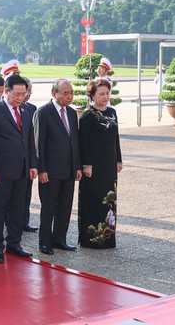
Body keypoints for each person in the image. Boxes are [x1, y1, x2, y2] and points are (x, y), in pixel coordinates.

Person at [0, 75, 38, 264]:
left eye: (24, 94)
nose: (20, 98)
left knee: (18, 208)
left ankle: (14, 243)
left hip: (22, 169)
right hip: (1, 171)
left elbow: (29, 139)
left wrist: (32, 164)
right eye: (17, 94)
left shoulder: (25, 110)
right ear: (6, 91)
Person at [33, 79, 81, 256]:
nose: (69, 96)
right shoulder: (43, 113)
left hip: (68, 169)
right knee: (49, 208)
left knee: (65, 207)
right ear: (54, 94)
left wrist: (77, 166)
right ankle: (45, 242)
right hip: (50, 171)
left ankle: (59, 239)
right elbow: (39, 144)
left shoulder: (71, 113)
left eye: (71, 93)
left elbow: (74, 141)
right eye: (65, 93)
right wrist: (41, 169)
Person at [78, 79, 122, 249]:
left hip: (109, 165)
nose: (105, 97)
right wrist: (86, 164)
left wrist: (119, 159)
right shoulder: (88, 115)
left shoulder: (112, 112)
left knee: (109, 200)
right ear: (92, 95)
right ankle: (91, 239)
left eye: (107, 93)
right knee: (94, 199)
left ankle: (108, 238)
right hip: (93, 166)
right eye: (101, 94)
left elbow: (115, 139)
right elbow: (84, 142)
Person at [21, 77, 38, 233]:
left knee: (27, 194)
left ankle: (24, 221)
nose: (28, 94)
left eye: (30, 91)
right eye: (27, 90)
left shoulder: (33, 109)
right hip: (14, 161)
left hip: (29, 160)